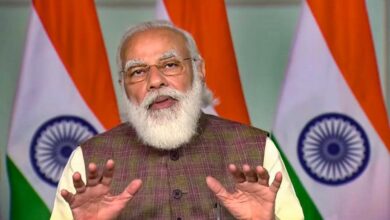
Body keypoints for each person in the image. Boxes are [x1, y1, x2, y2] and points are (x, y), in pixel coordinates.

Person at [50, 20, 304, 220]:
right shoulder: (88, 159)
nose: (155, 81)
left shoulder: (256, 148)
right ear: (123, 86)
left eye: (170, 65)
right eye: (138, 72)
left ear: (199, 71)